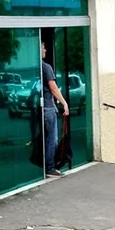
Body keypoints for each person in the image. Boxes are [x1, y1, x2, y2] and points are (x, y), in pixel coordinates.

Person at [40, 41, 70, 176]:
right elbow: (53, 88)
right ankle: (50, 167)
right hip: (48, 108)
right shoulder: (46, 67)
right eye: (43, 48)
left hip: (40, 108)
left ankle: (44, 165)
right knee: (52, 139)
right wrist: (64, 103)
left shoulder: (37, 67)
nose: (45, 50)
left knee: (44, 139)